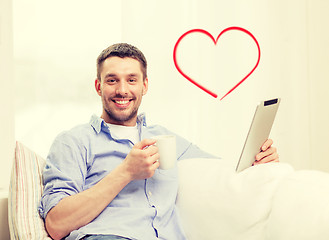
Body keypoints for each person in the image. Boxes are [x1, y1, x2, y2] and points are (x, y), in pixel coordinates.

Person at [39, 43, 279, 240]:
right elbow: (57, 224)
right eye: (112, 80)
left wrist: (258, 162)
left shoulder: (164, 138)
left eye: (132, 80)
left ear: (144, 86)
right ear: (98, 86)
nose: (122, 90)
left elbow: (224, 171)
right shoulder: (73, 141)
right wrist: (125, 172)